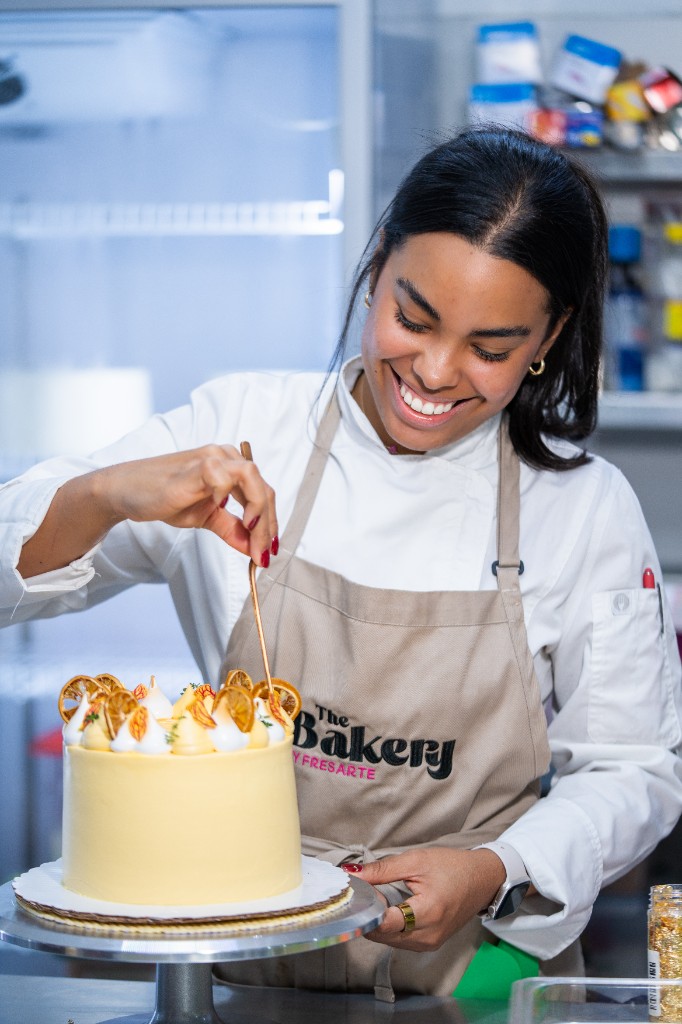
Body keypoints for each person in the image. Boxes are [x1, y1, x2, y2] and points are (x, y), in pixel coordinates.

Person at [1, 126, 681, 998]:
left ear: (550, 336)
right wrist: (105, 494)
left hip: (474, 983)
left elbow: (634, 772)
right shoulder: (247, 429)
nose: (434, 373)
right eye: (413, 317)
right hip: (247, 980)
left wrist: (496, 868)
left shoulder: (585, 509)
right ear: (374, 272)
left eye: (491, 348)